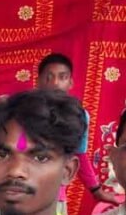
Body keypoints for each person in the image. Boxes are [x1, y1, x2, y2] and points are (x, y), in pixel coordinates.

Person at [36, 52, 118, 206]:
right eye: (48, 77)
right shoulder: (22, 112)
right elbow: (18, 148)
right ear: (38, 81)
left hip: (55, 197)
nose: (55, 83)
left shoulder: (78, 116)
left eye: (62, 77)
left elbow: (79, 154)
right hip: (24, 191)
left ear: (70, 83)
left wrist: (96, 190)